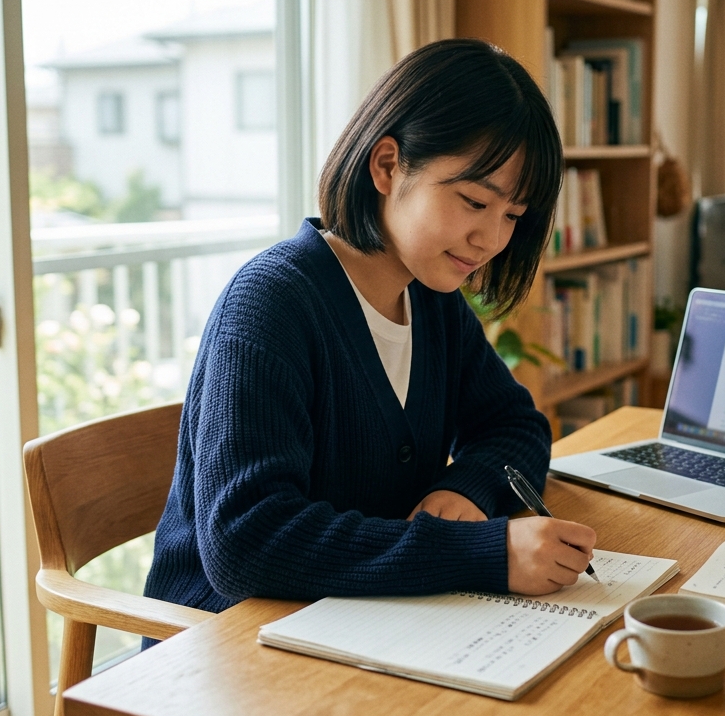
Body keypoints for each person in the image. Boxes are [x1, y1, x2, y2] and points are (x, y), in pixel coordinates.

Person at [142, 39, 596, 630]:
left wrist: (467, 490)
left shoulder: (432, 301)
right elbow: (247, 544)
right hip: (224, 646)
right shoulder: (271, 304)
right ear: (387, 166)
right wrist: (482, 553)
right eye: (474, 201)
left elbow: (513, 426)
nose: (491, 238)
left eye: (512, 216)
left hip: (364, 622)